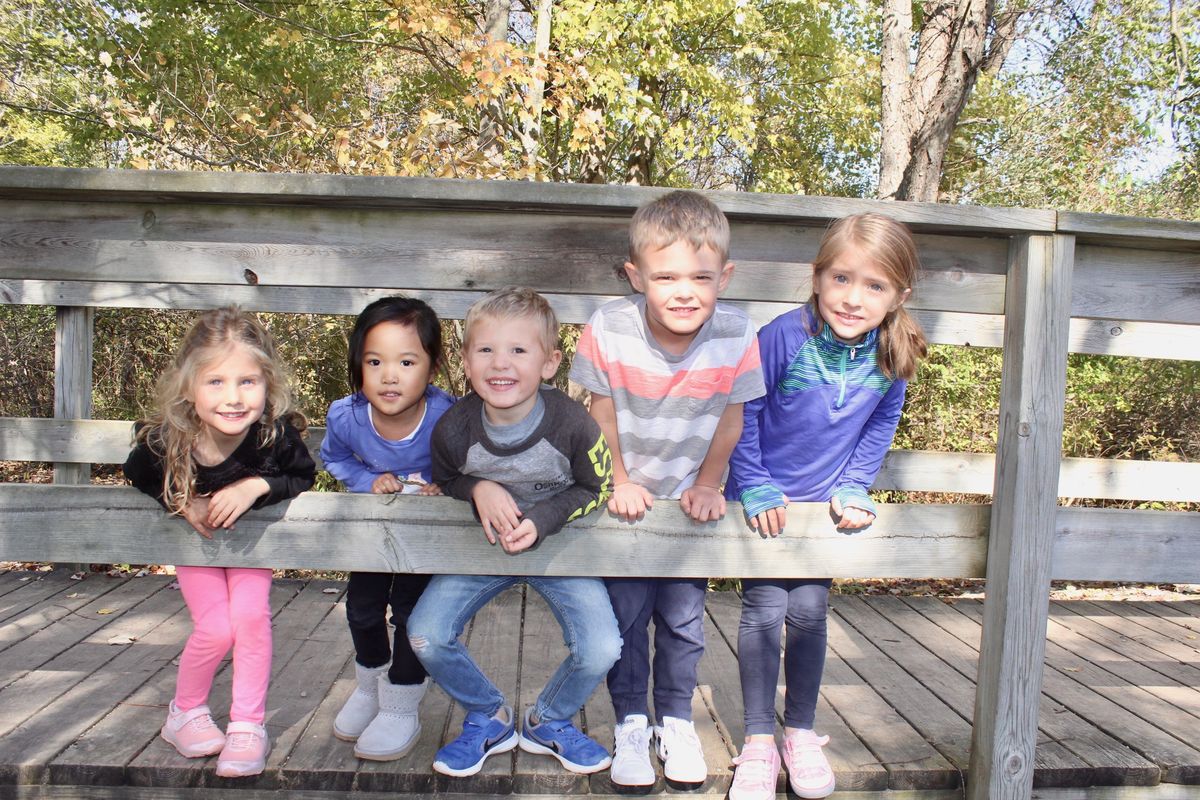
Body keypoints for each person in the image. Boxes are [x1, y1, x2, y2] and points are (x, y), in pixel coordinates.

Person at [723, 213, 928, 800]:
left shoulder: (893, 349)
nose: (853, 298)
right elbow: (745, 415)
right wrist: (756, 483)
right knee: (763, 611)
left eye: (874, 286)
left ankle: (801, 732)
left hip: (823, 510)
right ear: (817, 279)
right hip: (766, 503)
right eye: (841, 278)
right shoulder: (782, 336)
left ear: (898, 297)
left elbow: (882, 420)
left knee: (811, 612)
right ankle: (760, 740)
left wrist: (856, 484)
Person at [569, 190, 766, 791]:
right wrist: (618, 481)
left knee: (683, 619)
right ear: (636, 277)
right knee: (626, 617)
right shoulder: (609, 325)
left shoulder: (736, 334)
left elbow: (732, 419)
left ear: (724, 277)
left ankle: (675, 720)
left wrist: (710, 484)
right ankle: (630, 721)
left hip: (689, 500)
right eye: (666, 276)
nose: (685, 291)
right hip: (626, 496)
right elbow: (599, 415)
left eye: (702, 277)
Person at [407, 287, 621, 778]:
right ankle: (489, 715)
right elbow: (446, 478)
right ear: (465, 360)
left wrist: (544, 519)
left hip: (559, 549)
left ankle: (549, 720)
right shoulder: (453, 430)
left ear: (549, 363)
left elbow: (599, 484)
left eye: (518, 350)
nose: (500, 364)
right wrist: (477, 487)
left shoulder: (573, 425)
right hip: (483, 550)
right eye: (486, 349)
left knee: (602, 648)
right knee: (425, 635)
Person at [123, 306, 316, 778]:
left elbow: (303, 474)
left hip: (252, 550)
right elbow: (136, 471)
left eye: (247, 381)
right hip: (200, 549)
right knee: (215, 627)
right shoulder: (170, 440)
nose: (233, 398)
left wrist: (257, 487)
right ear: (189, 386)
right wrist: (181, 499)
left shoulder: (273, 437)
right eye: (216, 382)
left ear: (267, 384)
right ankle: (184, 712)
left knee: (250, 618)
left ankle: (247, 725)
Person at [320, 297, 456, 760]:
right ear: (358, 364)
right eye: (374, 361)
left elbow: (472, 464)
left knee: (410, 614)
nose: (389, 375)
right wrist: (364, 479)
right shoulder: (347, 416)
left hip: (425, 539)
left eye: (406, 361)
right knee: (361, 609)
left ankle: (401, 700)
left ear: (432, 368)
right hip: (375, 535)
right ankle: (370, 683)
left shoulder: (447, 418)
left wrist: (448, 487)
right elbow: (335, 458)